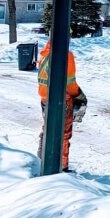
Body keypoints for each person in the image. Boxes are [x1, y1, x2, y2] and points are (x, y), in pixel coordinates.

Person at [36, 39, 87, 172]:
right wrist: (79, 95)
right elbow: (70, 83)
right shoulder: (66, 55)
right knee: (63, 133)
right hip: (62, 99)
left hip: (45, 98)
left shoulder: (43, 54)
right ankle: (61, 167)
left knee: (48, 129)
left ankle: (41, 160)